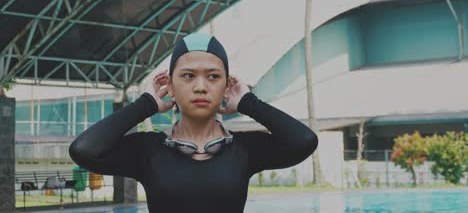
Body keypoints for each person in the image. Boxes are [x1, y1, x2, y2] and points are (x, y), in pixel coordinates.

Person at [69, 32, 318, 213]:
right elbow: (83, 150)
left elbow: (304, 141)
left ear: (225, 87)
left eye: (213, 77)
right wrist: (146, 104)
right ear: (171, 87)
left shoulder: (245, 149)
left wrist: (248, 102)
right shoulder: (147, 150)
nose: (200, 87)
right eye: (188, 76)